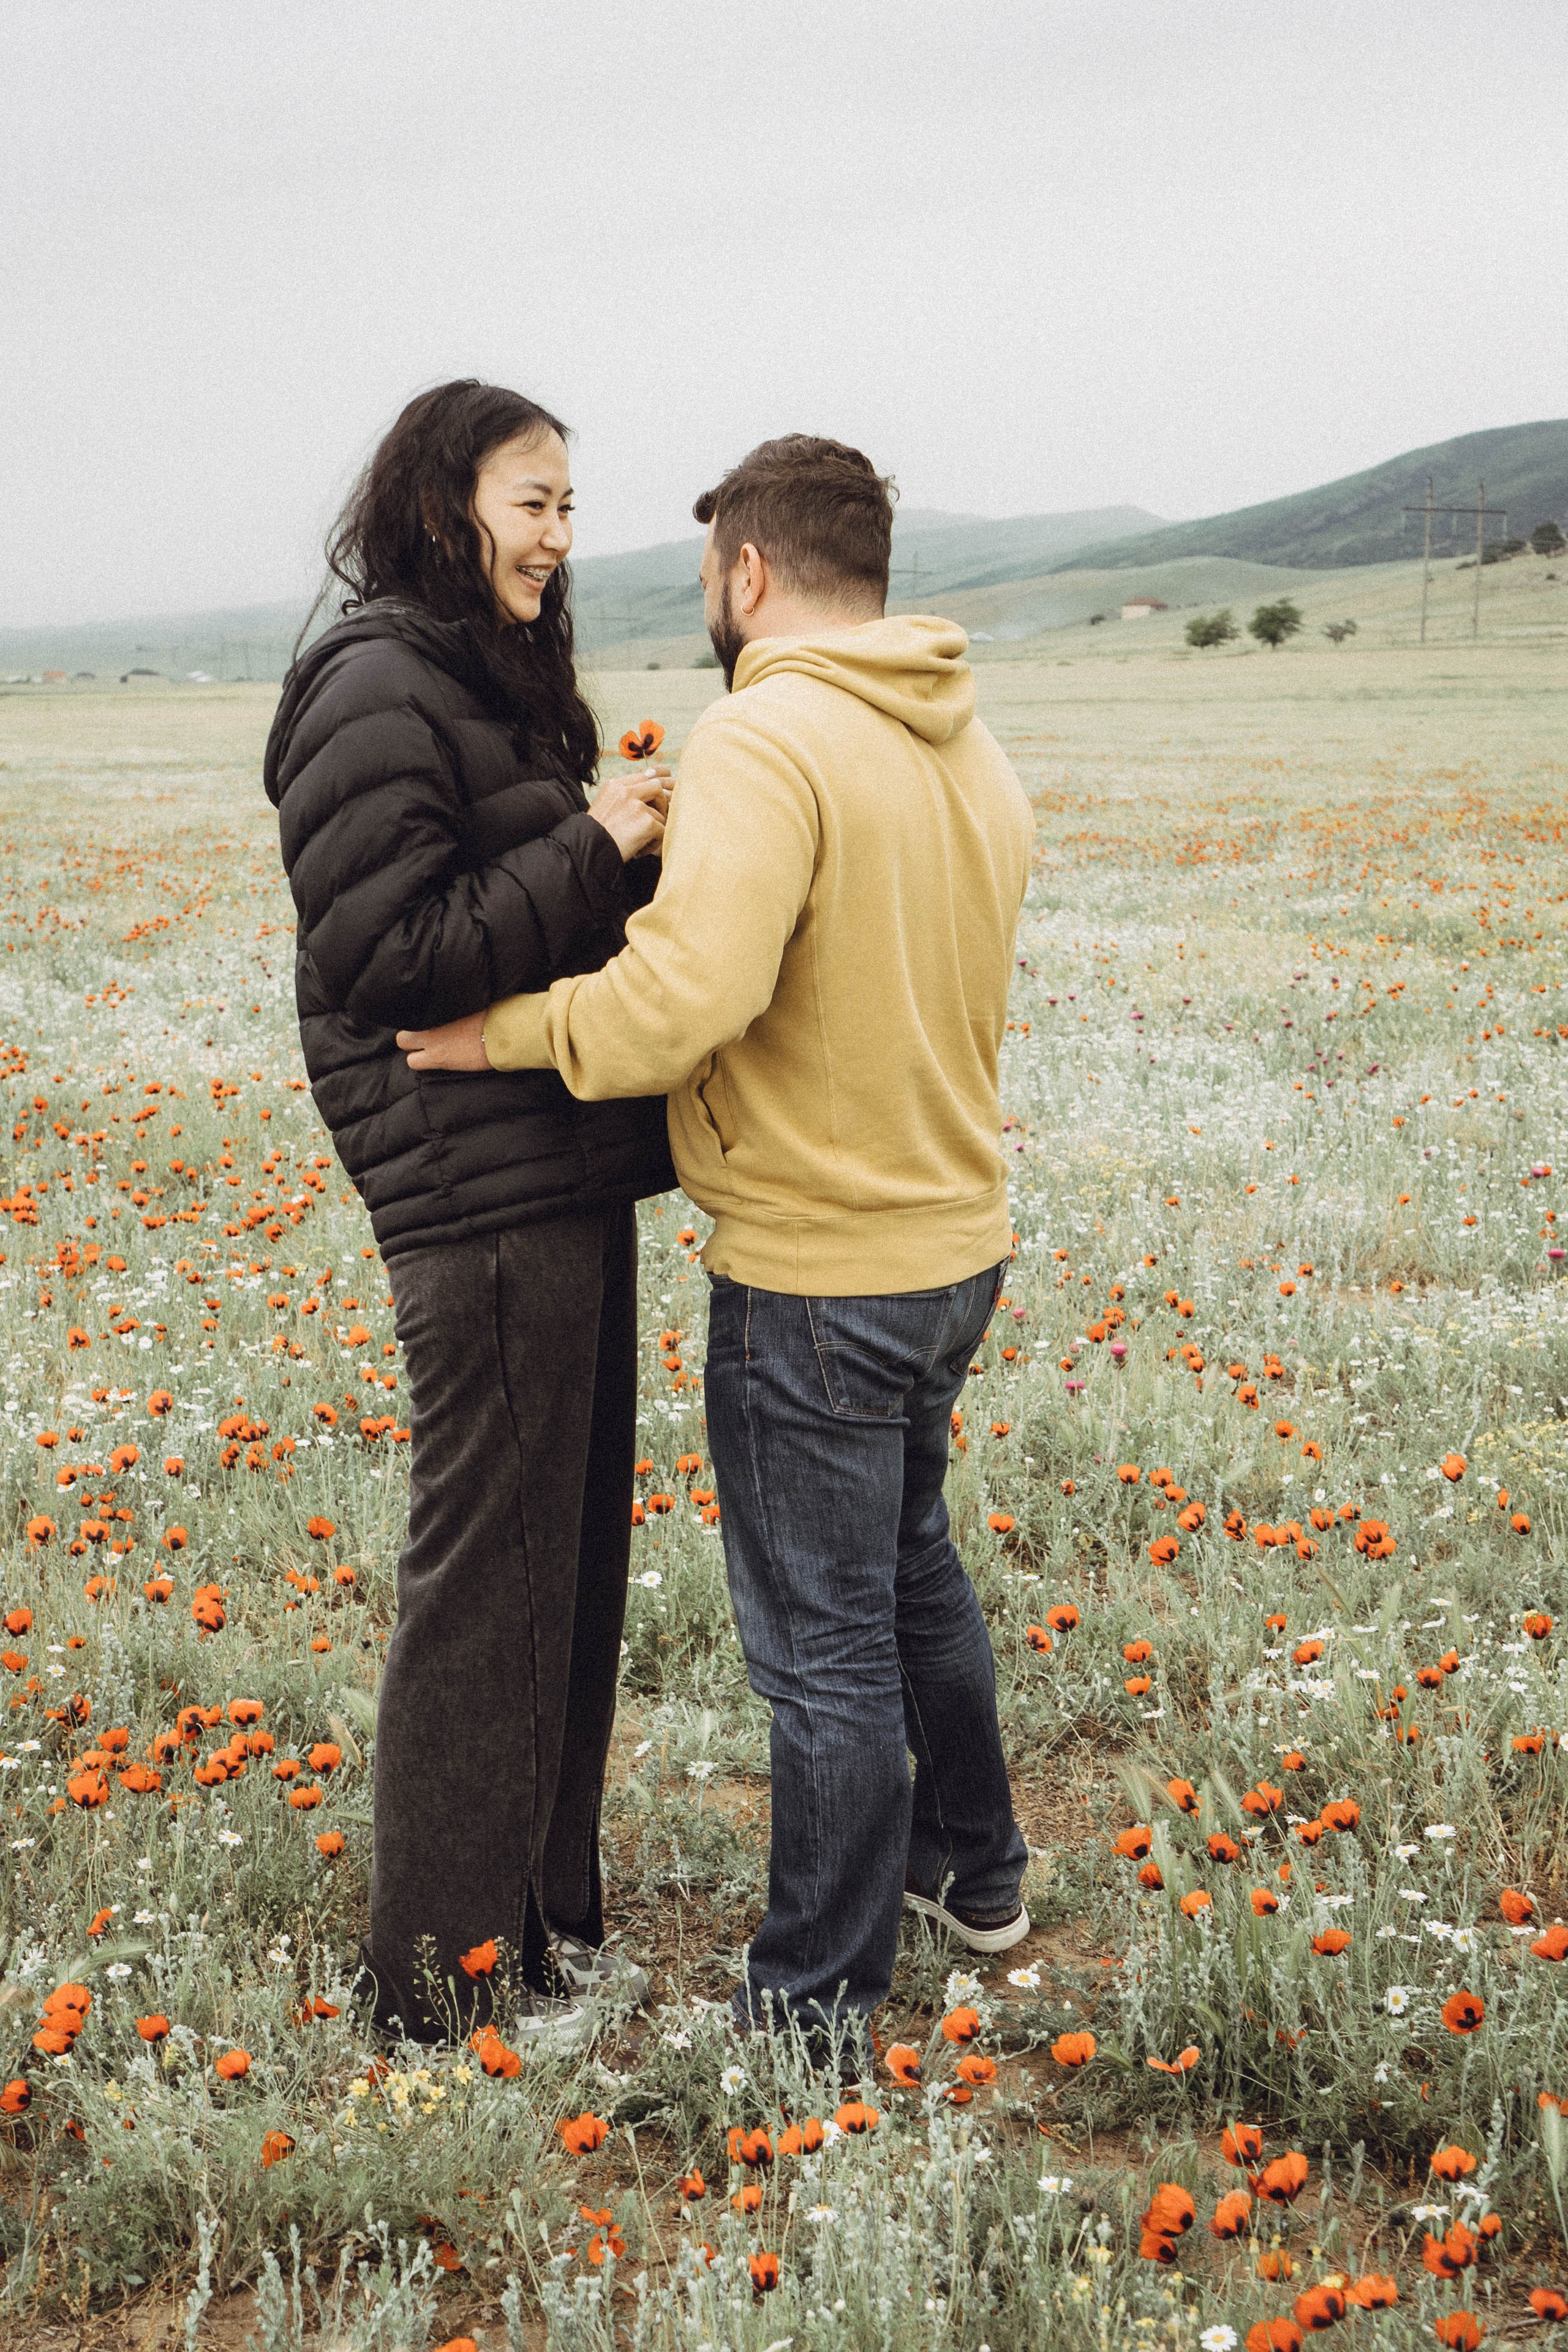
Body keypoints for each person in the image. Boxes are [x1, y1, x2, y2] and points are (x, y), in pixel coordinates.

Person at [399, 433, 1035, 2045]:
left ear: (748, 573)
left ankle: (811, 2008)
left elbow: (690, 997)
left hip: (819, 1264)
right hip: (952, 1239)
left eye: (707, 575)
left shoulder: (763, 733)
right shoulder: (958, 734)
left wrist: (505, 1032)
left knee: (824, 1650)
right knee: (912, 1567)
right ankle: (976, 1872)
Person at [263, 379, 674, 2043]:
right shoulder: (375, 681)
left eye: (570, 504)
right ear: (447, 508)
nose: (559, 535)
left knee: (563, 1573)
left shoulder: (483, 679)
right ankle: (442, 1989)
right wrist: (592, 846)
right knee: (490, 1588)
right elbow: (393, 956)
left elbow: (524, 916)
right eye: (532, 501)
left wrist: (641, 848)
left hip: (552, 1160)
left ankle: (541, 1934)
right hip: (475, 1186)